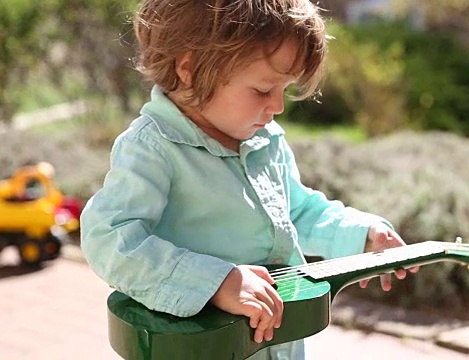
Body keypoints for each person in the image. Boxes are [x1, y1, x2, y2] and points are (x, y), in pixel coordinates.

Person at [80, 1, 417, 359]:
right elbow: (109, 237)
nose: (278, 107)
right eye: (262, 91)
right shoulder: (154, 149)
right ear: (189, 69)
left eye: (284, 90)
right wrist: (213, 282)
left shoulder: (265, 139)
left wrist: (361, 232)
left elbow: (294, 212)